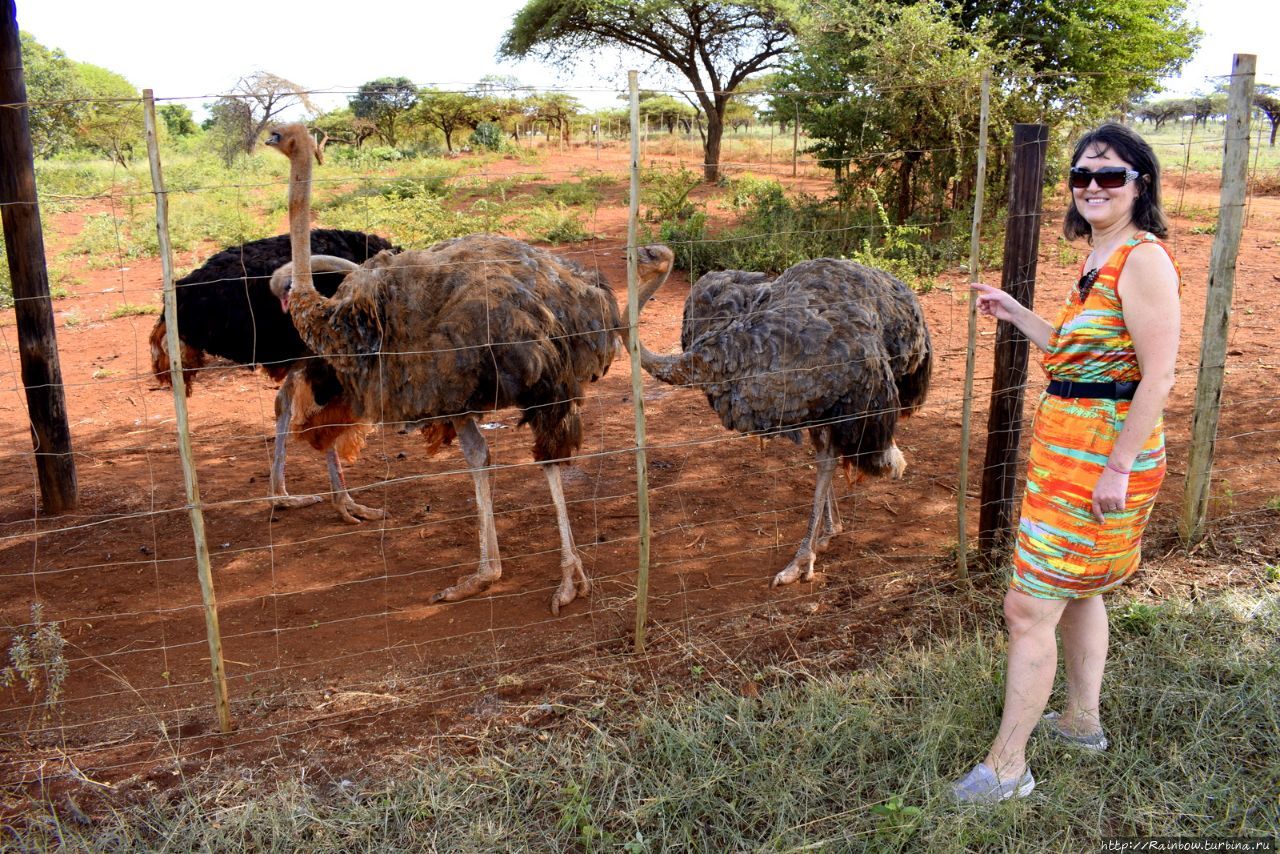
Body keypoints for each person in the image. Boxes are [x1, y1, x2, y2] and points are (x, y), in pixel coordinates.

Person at [953, 123, 1181, 803]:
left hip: (1104, 456)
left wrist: (1117, 466)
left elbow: (1159, 377)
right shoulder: (1098, 260)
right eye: (1081, 176)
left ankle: (1006, 768)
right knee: (1079, 587)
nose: (1091, 188)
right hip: (1069, 450)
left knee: (1028, 606)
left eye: (1109, 175)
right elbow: (1081, 355)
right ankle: (1081, 722)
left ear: (1141, 184)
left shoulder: (1143, 259)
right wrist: (1016, 312)